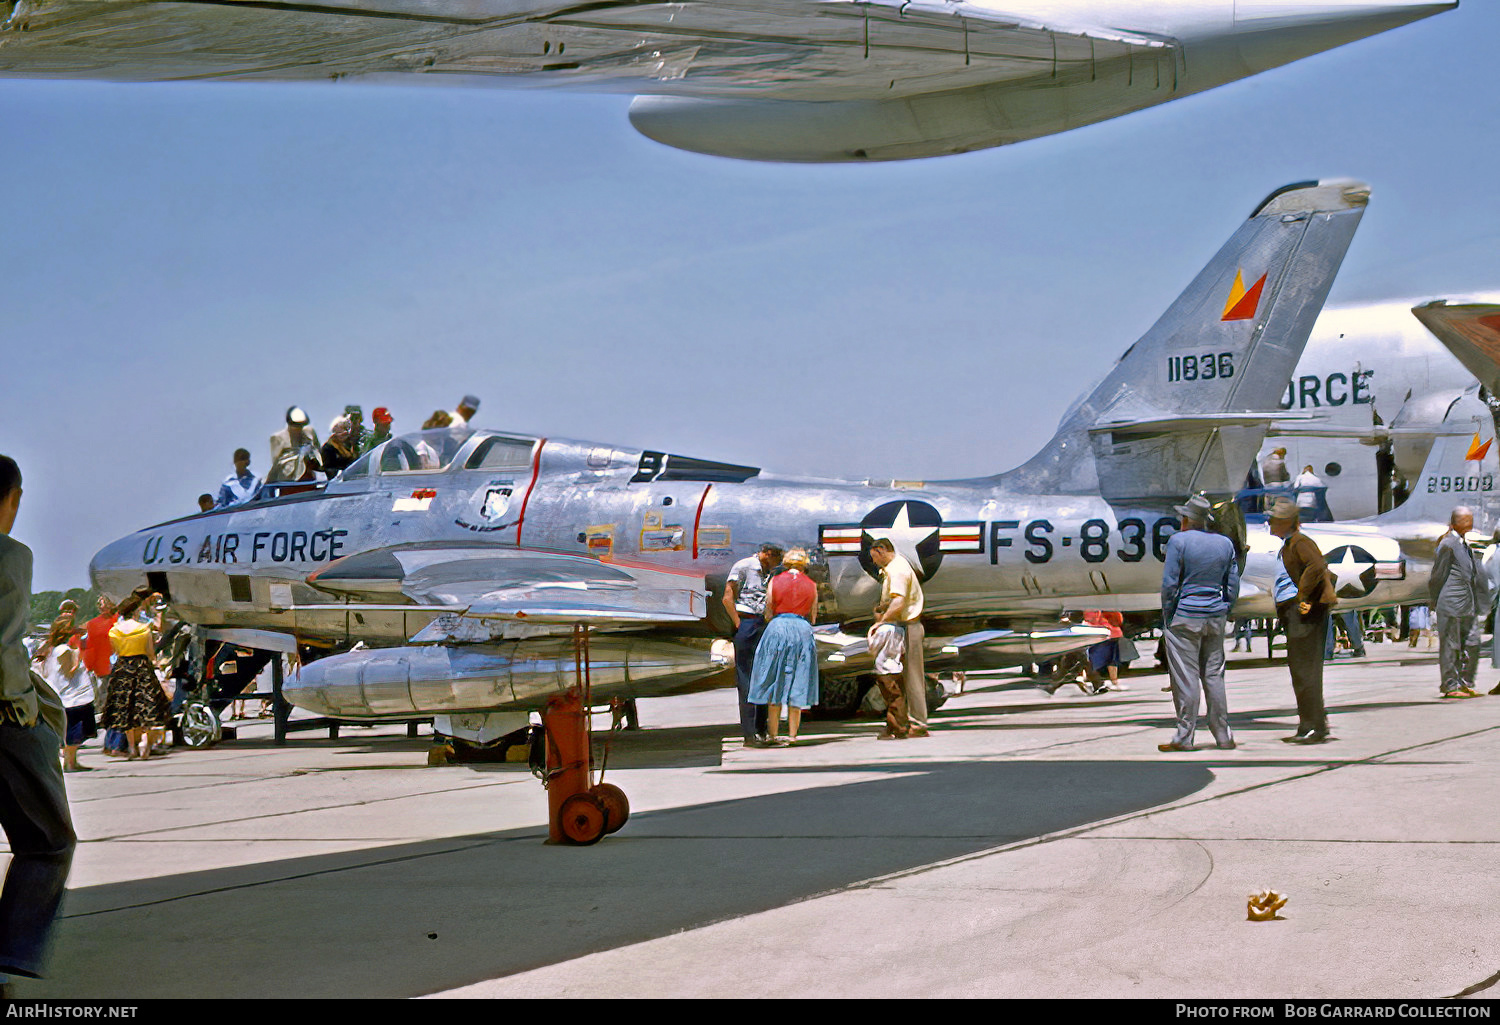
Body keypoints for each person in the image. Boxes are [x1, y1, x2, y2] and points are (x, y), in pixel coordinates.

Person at [0, 455, 76, 991]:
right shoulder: (8, 555)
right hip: (3, 721)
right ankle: (9, 954)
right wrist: (23, 706)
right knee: (48, 841)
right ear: (12, 498)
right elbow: (3, 641)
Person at [1158, 494, 1239, 752]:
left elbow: (1170, 583)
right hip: (1215, 615)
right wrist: (1226, 606)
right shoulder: (1225, 543)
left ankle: (1184, 736)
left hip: (1185, 615)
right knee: (1214, 675)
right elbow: (1233, 582)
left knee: (1186, 677)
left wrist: (1168, 614)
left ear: (1186, 519)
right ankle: (1223, 734)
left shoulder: (1178, 541)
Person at [1270, 498, 1338, 743]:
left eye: (1273, 519)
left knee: (1305, 670)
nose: (1268, 522)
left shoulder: (1300, 542)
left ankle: (1314, 726)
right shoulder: (1291, 543)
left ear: (1285, 522)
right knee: (1301, 670)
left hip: (1304, 614)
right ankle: (1310, 723)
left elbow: (1317, 566)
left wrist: (1304, 597)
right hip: (1295, 612)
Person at [746, 549, 819, 744]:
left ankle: (773, 733)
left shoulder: (774, 581)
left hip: (778, 627)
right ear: (803, 565)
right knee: (799, 677)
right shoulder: (811, 585)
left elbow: (768, 608)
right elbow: (813, 615)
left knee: (774, 677)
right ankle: (793, 734)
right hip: (802, 628)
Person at [868, 538, 930, 738]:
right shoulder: (893, 569)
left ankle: (918, 723)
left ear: (882, 550)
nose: (874, 562)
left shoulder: (897, 570)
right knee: (899, 677)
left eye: (874, 557)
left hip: (908, 627)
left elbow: (899, 602)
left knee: (912, 677)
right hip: (903, 626)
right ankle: (901, 721)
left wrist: (881, 622)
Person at [722, 543, 781, 748]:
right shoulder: (745, 566)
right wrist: (738, 623)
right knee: (746, 678)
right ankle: (749, 733)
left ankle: (761, 729)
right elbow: (728, 596)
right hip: (747, 620)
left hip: (762, 623)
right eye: (775, 559)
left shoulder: (769, 573)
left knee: (763, 676)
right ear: (767, 555)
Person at [103, 587, 173, 759]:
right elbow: (150, 652)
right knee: (147, 707)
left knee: (126, 708)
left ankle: (132, 748)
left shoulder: (114, 630)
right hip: (141, 666)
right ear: (135, 611)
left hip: (122, 668)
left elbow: (116, 651)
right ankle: (145, 745)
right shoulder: (143, 629)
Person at [1430, 505, 1488, 699]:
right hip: (1450, 602)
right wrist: (1435, 602)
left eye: (1470, 519)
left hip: (1468, 604)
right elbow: (1438, 575)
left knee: (1472, 643)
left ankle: (1466, 682)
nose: (1470, 524)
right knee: (1450, 645)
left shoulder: (1464, 543)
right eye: (1466, 520)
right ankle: (1450, 685)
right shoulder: (1447, 544)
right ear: (1456, 522)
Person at [37, 616, 95, 773]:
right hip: (71, 696)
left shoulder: (51, 649)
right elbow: (69, 672)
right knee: (73, 731)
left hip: (61, 695)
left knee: (68, 730)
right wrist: (78, 656)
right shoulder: (64, 650)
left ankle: (72, 762)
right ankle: (70, 763)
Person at [80, 596, 126, 759]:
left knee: (118, 704)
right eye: (100, 604)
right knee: (110, 705)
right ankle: (112, 742)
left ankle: (115, 742)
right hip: (103, 669)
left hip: (119, 665)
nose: (103, 606)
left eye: (106, 603)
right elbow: (90, 646)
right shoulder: (92, 624)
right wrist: (89, 666)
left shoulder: (119, 619)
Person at [867, 600, 908, 739]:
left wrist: (870, 632)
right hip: (896, 666)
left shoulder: (881, 630)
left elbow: (873, 647)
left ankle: (899, 726)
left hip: (883, 668)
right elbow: (902, 649)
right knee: (898, 697)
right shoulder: (899, 629)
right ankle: (892, 727)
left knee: (891, 699)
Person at [267, 406, 322, 484]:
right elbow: (276, 462)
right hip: (289, 479)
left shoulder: (309, 433)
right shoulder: (278, 437)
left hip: (309, 477)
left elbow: (319, 451)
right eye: (296, 426)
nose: (299, 428)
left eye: (301, 425)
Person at [1083, 609, 1127, 692]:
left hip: (1095, 633)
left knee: (1087, 659)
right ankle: (1114, 682)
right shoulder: (1106, 607)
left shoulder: (1089, 607)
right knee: (1112, 660)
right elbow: (1117, 618)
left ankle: (1085, 680)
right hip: (1109, 633)